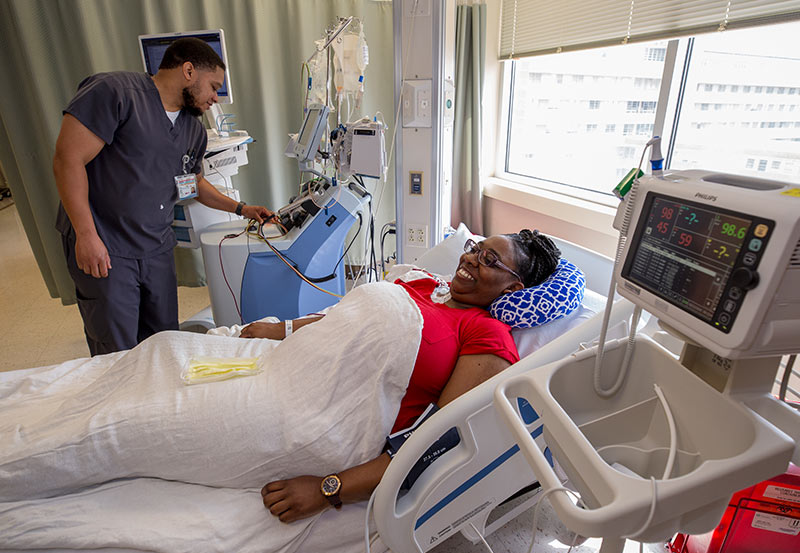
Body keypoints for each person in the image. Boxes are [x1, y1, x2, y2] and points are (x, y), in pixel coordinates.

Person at [241, 229, 562, 523]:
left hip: (323, 420)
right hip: (289, 365)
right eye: (474, 248)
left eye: (489, 260)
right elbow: (343, 322)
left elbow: (435, 438)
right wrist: (279, 330)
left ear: (513, 287)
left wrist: (327, 490)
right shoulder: (423, 284)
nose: (469, 259)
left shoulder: (487, 334)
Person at [52, 37, 274, 356]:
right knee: (116, 348)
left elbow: (191, 184)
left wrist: (242, 208)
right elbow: (67, 159)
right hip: (107, 244)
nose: (216, 97)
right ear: (188, 71)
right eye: (213, 86)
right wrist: (86, 235)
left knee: (163, 342)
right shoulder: (116, 93)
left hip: (155, 248)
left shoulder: (191, 131)